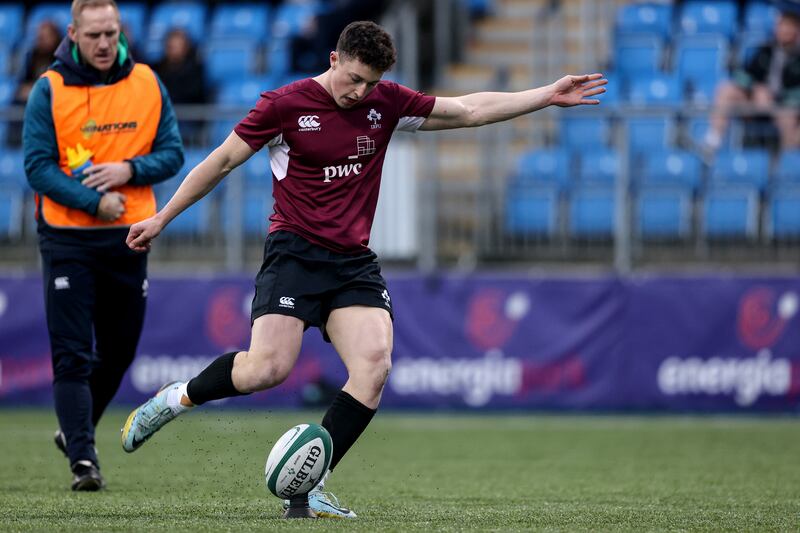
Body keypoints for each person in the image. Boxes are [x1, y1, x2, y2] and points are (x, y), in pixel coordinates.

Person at [120, 21, 605, 517]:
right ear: (333, 59)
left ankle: (311, 486)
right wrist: (162, 217)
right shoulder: (284, 105)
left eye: (371, 83)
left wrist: (546, 95)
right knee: (266, 369)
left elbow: (469, 110)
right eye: (353, 78)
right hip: (294, 254)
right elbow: (221, 161)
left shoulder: (385, 103)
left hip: (352, 262)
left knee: (374, 364)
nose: (360, 91)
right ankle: (177, 398)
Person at [23, 0, 184, 491]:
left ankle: (73, 430)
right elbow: (37, 166)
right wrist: (95, 203)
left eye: (111, 33)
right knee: (71, 353)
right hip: (67, 239)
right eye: (93, 34)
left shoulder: (147, 82)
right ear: (72, 33)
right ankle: (83, 460)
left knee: (118, 349)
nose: (103, 43)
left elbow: (173, 152)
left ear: (121, 31)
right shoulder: (48, 90)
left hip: (130, 236)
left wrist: (130, 170)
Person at [704, 7, 800, 153]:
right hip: (756, 101)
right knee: (726, 90)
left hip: (784, 107)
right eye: (781, 25)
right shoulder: (765, 50)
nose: (784, 30)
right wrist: (756, 88)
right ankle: (712, 143)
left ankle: (787, 160)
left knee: (787, 117)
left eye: (789, 26)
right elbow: (742, 74)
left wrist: (777, 98)